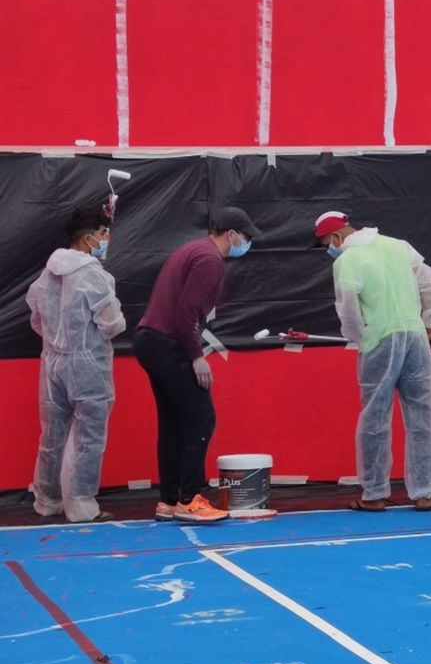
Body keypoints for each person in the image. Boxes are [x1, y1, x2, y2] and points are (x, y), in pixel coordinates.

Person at [133, 207, 260, 523]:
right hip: (168, 344)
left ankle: (169, 499)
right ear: (230, 234)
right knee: (201, 417)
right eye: (244, 237)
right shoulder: (209, 260)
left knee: (174, 421)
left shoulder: (191, 249)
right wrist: (196, 356)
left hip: (150, 341)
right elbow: (185, 313)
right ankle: (189, 498)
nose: (245, 244)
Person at [315, 211, 431, 512]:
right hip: (415, 337)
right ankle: (424, 493)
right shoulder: (399, 245)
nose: (329, 250)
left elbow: (347, 309)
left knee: (375, 418)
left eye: (326, 244)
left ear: (337, 237)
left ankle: (374, 494)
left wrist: (361, 337)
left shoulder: (347, 260)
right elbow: (430, 286)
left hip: (379, 341)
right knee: (423, 418)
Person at [26, 205, 126, 523]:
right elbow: (112, 323)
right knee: (88, 433)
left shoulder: (48, 272)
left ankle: (48, 499)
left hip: (52, 360)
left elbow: (36, 318)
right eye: (102, 234)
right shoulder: (92, 273)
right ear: (87, 239)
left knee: (53, 433)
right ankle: (81, 505)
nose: (106, 239)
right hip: (86, 364)